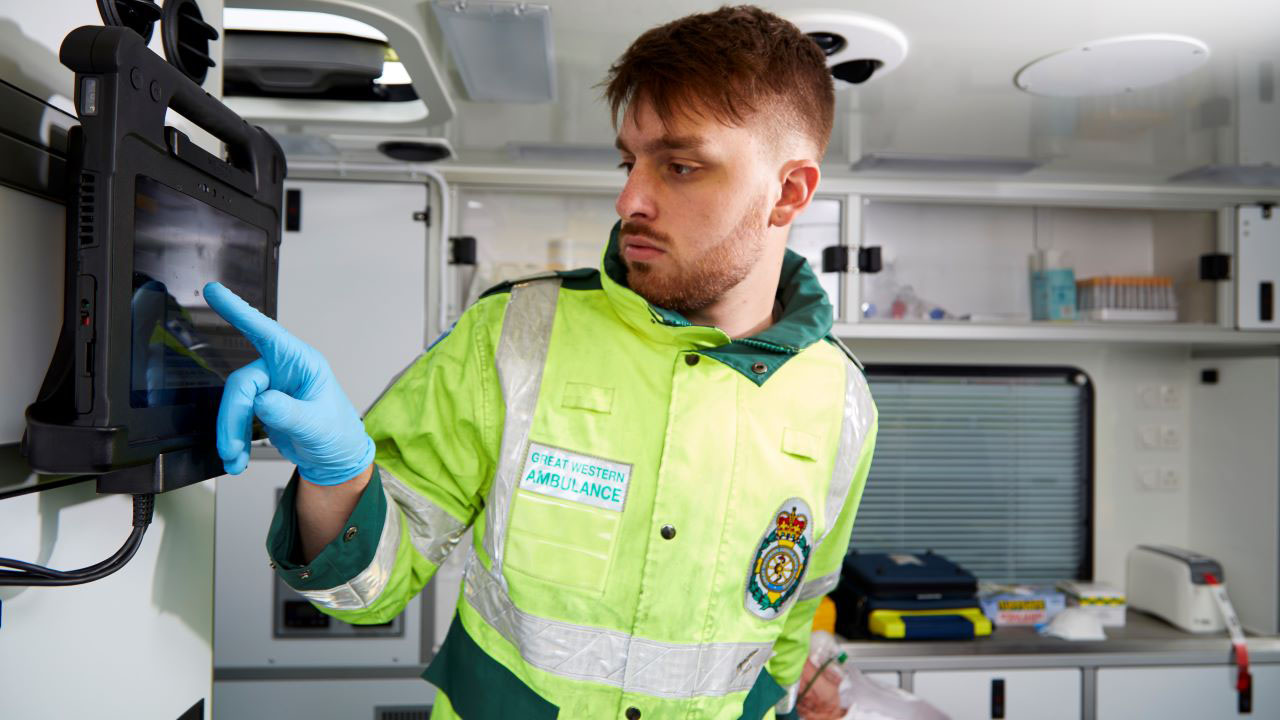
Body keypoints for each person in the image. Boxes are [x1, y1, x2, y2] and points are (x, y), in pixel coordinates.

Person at [204, 6, 877, 719]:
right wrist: (337, 479)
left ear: (791, 192)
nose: (629, 200)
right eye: (629, 162)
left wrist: (796, 691)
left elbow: (787, 618)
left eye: (680, 166)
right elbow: (369, 589)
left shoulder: (840, 402)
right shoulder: (515, 334)